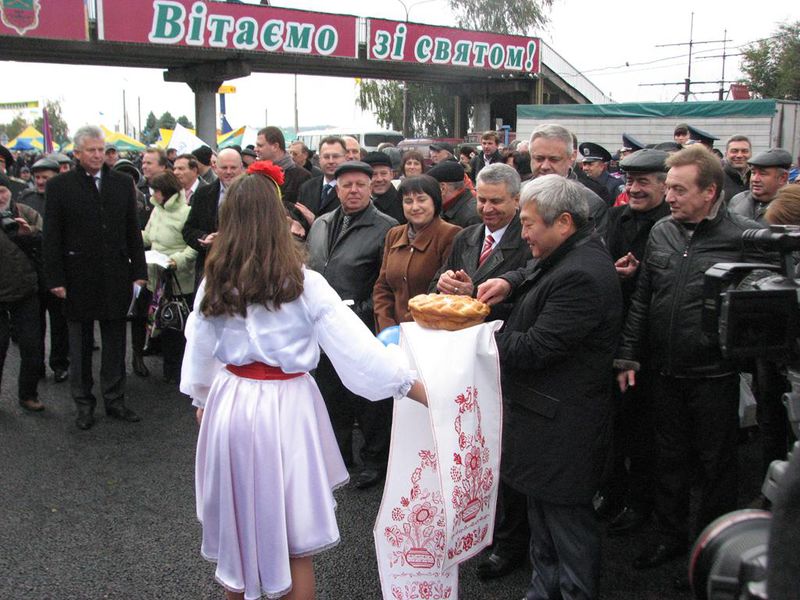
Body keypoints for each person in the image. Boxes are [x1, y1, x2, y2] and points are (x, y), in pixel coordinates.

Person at [180, 163, 425, 600]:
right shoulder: (304, 283)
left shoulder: (212, 283)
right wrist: (412, 385)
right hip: (285, 407)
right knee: (294, 544)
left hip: (230, 404)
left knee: (239, 537)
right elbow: (358, 349)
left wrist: (202, 400)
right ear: (279, 220)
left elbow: (198, 353)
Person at [615, 145, 769, 569]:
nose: (670, 197)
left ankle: (713, 551)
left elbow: (759, 304)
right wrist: (628, 356)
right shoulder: (662, 232)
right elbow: (644, 299)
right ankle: (669, 537)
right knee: (669, 461)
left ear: (710, 192)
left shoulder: (741, 238)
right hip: (664, 372)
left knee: (716, 467)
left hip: (714, 376)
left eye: (680, 190)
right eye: (670, 189)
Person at [477, 174, 623, 600]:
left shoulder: (581, 275)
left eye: (528, 224)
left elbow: (535, 348)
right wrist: (504, 288)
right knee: (544, 522)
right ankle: (543, 590)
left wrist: (476, 331)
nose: (522, 235)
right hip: (545, 423)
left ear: (563, 222)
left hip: (564, 428)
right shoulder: (571, 255)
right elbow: (533, 285)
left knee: (567, 528)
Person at [43, 125, 148, 430]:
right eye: (91, 150)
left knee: (116, 342)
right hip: (77, 276)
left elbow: (132, 230)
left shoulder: (120, 183)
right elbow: (52, 236)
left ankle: (115, 400)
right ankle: (84, 404)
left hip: (116, 274)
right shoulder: (60, 186)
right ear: (77, 153)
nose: (98, 155)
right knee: (80, 344)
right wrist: (55, 278)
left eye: (102, 150)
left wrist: (139, 272)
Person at [306, 161, 399, 489]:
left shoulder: (387, 228)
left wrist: (358, 310)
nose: (354, 190)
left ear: (372, 186)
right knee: (331, 394)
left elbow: (386, 283)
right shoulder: (320, 224)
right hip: (323, 330)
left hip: (361, 327)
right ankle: (339, 457)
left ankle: (376, 461)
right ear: (337, 188)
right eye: (347, 185)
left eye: (361, 184)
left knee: (368, 398)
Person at [598, 149, 672, 536]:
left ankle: (641, 504)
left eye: (644, 182)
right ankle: (613, 494)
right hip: (612, 335)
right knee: (613, 427)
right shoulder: (615, 218)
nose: (634, 188)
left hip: (649, 344)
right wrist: (612, 275)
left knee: (643, 433)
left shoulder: (670, 226)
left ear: (664, 184)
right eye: (630, 181)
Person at [373, 174, 460, 331]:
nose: (415, 207)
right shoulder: (394, 234)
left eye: (421, 200)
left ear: (435, 201)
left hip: (432, 332)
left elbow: (447, 295)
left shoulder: (451, 235)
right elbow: (382, 287)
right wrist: (387, 326)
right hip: (394, 332)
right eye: (408, 201)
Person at [141, 171, 197, 384]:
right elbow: (148, 235)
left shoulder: (186, 212)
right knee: (162, 322)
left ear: (166, 192)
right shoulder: (156, 211)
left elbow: (193, 247)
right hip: (156, 276)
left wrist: (176, 260)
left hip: (178, 279)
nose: (152, 195)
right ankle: (169, 367)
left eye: (156, 191)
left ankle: (178, 370)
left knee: (177, 324)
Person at [18, 157, 70, 383]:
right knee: (33, 326)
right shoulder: (26, 199)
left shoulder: (66, 199)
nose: (40, 182)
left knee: (60, 323)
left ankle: (59, 364)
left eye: (45, 178)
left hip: (57, 271)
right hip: (32, 272)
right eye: (37, 177)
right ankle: (35, 366)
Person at [0, 172, 45, 412]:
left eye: (3, 191)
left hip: (26, 289)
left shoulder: (26, 213)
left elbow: (47, 243)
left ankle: (28, 394)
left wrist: (31, 236)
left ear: (10, 192)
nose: (0, 197)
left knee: (32, 345)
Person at [529, 124, 609, 239]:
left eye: (554, 159)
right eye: (539, 159)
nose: (545, 166)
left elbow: (593, 252)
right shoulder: (517, 194)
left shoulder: (591, 204)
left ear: (572, 157)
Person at [183, 148, 245, 287]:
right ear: (215, 168)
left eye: (233, 167)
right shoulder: (203, 193)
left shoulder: (253, 194)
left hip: (243, 268)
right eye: (224, 167)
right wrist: (205, 237)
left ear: (241, 168)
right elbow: (188, 230)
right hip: (210, 269)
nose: (229, 172)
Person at [729, 148, 792, 224]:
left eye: (763, 174)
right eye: (753, 173)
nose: (755, 179)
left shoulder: (793, 207)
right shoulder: (737, 201)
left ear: (783, 178)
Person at [296, 136, 347, 225]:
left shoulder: (351, 190)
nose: (331, 161)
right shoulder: (306, 187)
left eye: (335, 156)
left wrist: (315, 220)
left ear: (345, 158)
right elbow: (299, 219)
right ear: (319, 159)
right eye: (326, 157)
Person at [255, 126, 311, 204]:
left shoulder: (302, 176)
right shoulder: (256, 173)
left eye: (260, 146)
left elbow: (302, 210)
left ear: (275, 146)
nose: (255, 149)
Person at [427, 161, 482, 228]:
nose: (428, 193)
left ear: (443, 188)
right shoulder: (444, 208)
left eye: (430, 187)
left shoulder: (472, 217)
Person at [364, 151, 405, 224]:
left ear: (392, 174)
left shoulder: (403, 205)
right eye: (374, 174)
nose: (379, 179)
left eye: (383, 173)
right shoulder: (360, 204)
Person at [579, 142, 625, 206]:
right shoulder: (581, 183)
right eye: (584, 164)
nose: (585, 168)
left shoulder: (615, 184)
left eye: (590, 164)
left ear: (602, 166)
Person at [721, 135, 751, 201]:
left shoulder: (756, 179)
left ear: (750, 154)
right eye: (734, 151)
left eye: (744, 151)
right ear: (726, 155)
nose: (739, 155)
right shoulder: (718, 179)